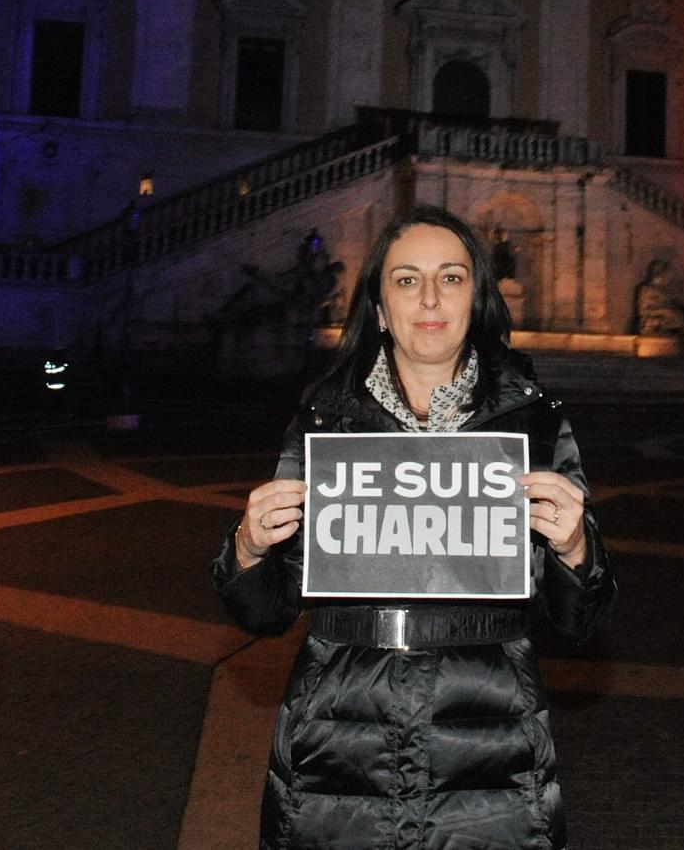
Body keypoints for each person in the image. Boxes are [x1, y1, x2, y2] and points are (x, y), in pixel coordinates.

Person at [213, 205, 618, 850]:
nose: (429, 297)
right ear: (378, 308)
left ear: (476, 298)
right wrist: (249, 547)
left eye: (451, 278)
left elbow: (580, 619)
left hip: (491, 738)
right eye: (406, 280)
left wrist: (575, 549)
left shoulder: (535, 426)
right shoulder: (325, 422)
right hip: (337, 735)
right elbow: (263, 611)